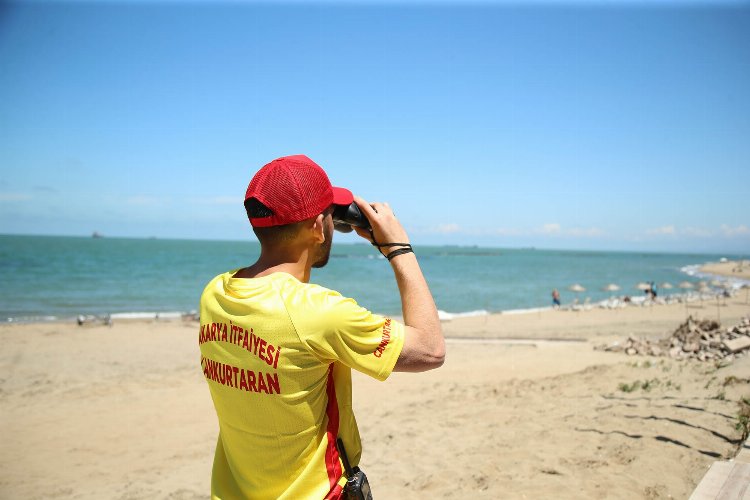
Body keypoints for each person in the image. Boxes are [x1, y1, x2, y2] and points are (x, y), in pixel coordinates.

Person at [198, 155, 445, 499]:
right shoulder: (318, 311)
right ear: (318, 227)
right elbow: (430, 350)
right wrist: (398, 248)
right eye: (331, 214)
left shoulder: (216, 293)